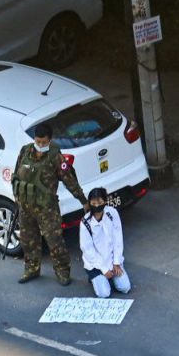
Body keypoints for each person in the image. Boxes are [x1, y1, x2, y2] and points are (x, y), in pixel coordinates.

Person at [12, 123, 88, 285]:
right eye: (38, 141)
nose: (40, 145)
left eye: (44, 142)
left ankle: (62, 271)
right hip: (26, 207)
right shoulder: (25, 151)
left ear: (50, 140)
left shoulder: (55, 157)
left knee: (54, 241)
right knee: (27, 240)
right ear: (34, 139)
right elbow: (16, 176)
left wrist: (83, 201)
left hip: (47, 209)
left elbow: (70, 180)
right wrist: (17, 197)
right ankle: (31, 269)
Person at [80, 187, 131, 298]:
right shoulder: (85, 222)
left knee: (125, 287)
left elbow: (118, 238)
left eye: (100, 202)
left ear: (105, 201)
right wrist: (103, 269)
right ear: (89, 203)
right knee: (104, 294)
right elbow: (87, 249)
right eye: (93, 203)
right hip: (96, 264)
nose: (97, 206)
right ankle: (95, 277)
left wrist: (116, 262)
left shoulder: (112, 213)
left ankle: (110, 276)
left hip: (112, 260)